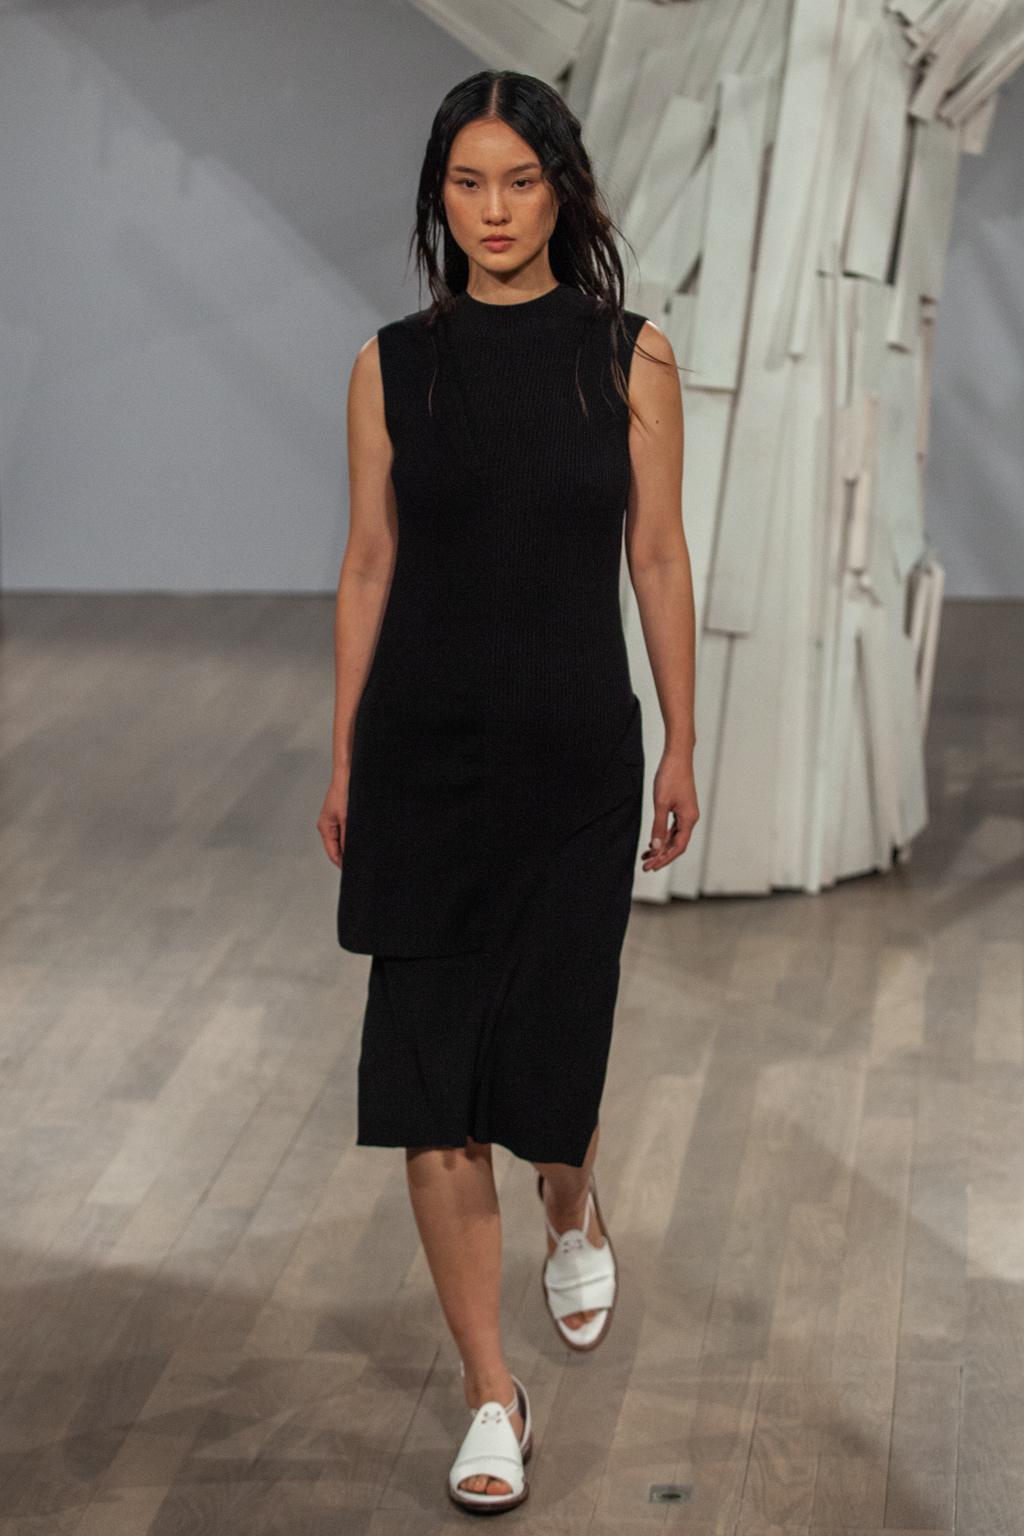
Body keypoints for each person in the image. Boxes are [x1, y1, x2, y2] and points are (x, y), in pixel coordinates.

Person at [317, 69, 697, 1513]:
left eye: (519, 182)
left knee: (551, 1057)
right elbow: (369, 563)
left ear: (560, 191)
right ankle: (492, 1391)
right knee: (431, 1089)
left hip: (574, 760)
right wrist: (345, 753)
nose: (493, 210)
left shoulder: (629, 359)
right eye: (468, 183)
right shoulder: (390, 368)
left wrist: (684, 739)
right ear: (440, 196)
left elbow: (656, 555)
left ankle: (571, 1194)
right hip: (423, 759)